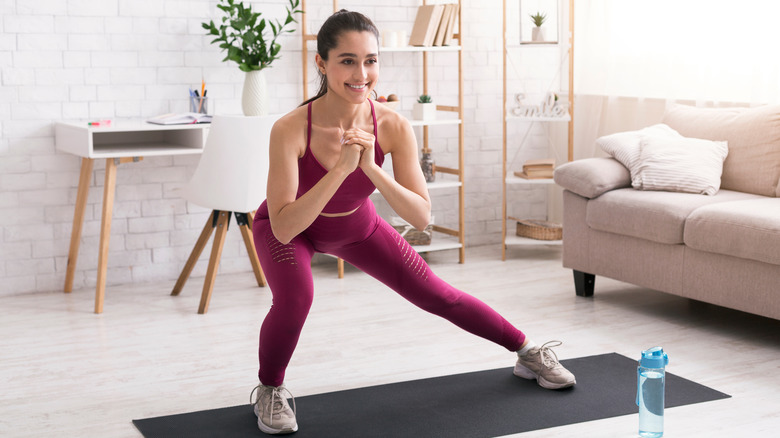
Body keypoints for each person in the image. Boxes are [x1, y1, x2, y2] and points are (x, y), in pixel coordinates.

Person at [250, 9, 576, 435]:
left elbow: (421, 217)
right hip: (290, 228)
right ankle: (270, 390)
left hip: (357, 226)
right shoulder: (291, 128)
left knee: (438, 295)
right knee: (296, 298)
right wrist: (339, 170)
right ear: (321, 63)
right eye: (347, 60)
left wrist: (370, 167)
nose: (361, 73)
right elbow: (285, 226)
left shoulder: (393, 126)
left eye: (370, 60)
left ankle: (528, 351)